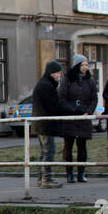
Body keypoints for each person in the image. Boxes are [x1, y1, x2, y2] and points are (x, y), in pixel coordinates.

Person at [31, 60, 81, 188]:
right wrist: (72, 111)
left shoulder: (43, 84)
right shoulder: (46, 86)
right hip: (46, 124)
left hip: (40, 123)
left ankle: (41, 178)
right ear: (52, 72)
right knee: (49, 151)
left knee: (44, 152)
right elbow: (54, 106)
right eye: (58, 72)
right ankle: (46, 179)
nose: (59, 75)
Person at [58, 54, 97, 183]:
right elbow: (62, 98)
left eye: (87, 65)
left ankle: (81, 173)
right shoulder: (67, 79)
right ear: (77, 66)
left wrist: (88, 111)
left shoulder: (90, 81)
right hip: (70, 117)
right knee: (68, 146)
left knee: (82, 146)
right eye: (83, 65)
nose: (85, 67)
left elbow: (94, 99)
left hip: (84, 117)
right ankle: (69, 173)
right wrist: (72, 109)